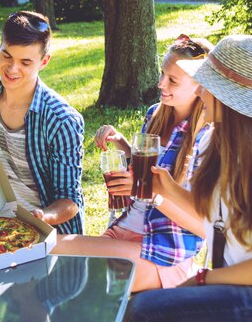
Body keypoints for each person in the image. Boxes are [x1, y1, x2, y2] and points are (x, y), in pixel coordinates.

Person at [122, 35, 252, 322]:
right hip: (231, 289)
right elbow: (211, 215)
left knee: (143, 315)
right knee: (149, 317)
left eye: (206, 84)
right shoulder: (217, 141)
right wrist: (167, 189)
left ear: (229, 96)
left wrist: (204, 279)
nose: (198, 91)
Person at [52, 35, 213, 292]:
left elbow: (204, 226)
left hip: (163, 250)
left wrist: (148, 191)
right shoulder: (154, 115)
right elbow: (144, 174)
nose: (161, 83)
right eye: (162, 74)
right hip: (125, 229)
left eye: (172, 80)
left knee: (60, 256)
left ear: (200, 86)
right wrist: (123, 147)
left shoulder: (206, 137)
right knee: (53, 253)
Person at [0, 11, 85, 234]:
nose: (12, 69)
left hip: (45, 230)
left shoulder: (62, 120)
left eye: (25, 62)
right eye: (6, 56)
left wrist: (44, 216)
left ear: (44, 61)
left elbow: (70, 201)